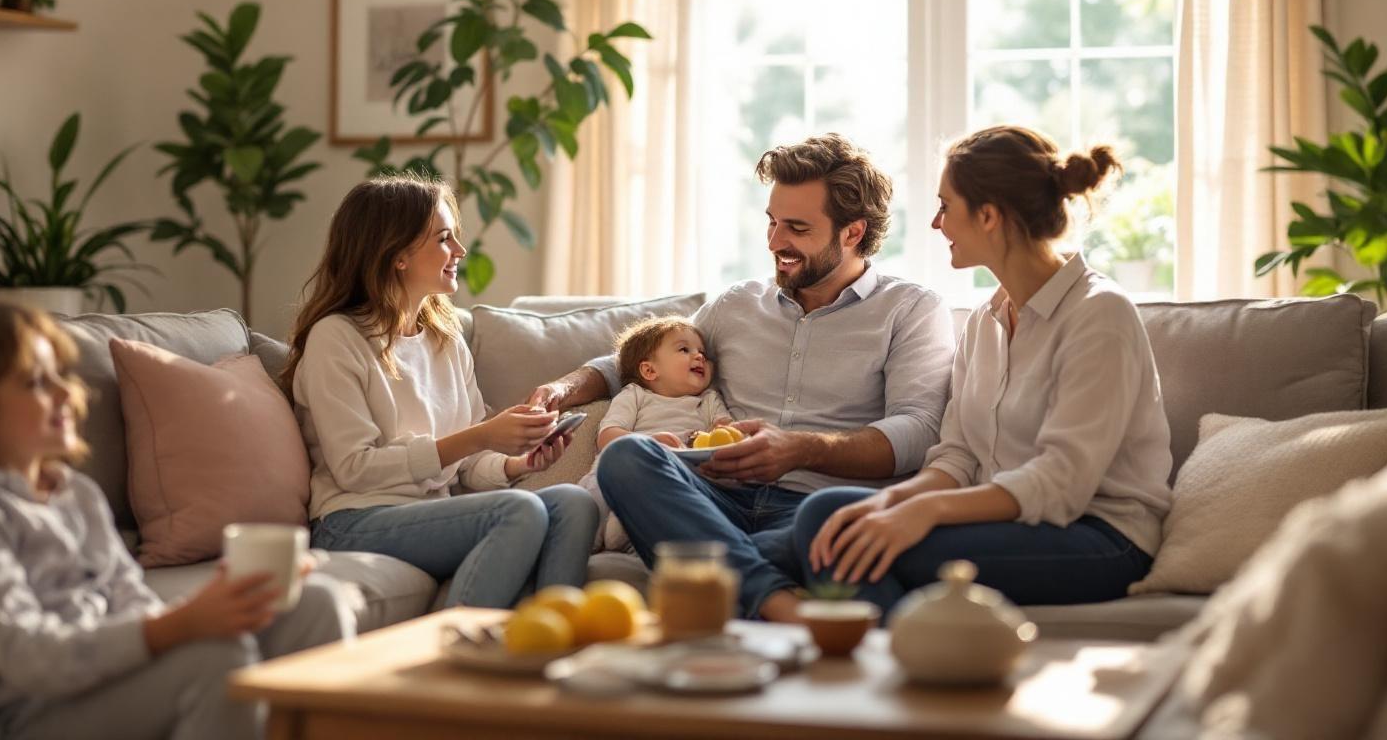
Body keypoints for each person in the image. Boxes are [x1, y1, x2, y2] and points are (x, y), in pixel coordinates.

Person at [530, 134, 956, 622]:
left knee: (799, 537)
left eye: (796, 228)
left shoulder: (911, 310)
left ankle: (724, 565)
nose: (775, 243)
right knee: (627, 456)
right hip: (712, 496)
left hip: (816, 507)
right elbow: (638, 362)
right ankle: (774, 598)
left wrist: (801, 448)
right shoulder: (737, 304)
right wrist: (562, 390)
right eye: (772, 223)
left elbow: (920, 429)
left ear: (853, 232)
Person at [794, 126, 1173, 615]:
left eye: (946, 206)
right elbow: (957, 457)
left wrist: (922, 513)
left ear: (989, 216)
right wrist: (892, 503)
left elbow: (1061, 483)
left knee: (860, 548)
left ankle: (892, 667)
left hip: (1101, 535)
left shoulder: (1100, 315)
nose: (935, 223)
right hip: (1015, 525)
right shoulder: (984, 321)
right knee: (826, 514)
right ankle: (903, 658)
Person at [0, 292, 356, 740]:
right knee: (214, 660)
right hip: (23, 711)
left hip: (106, 678)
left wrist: (217, 605)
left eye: (60, 376)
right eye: (37, 383)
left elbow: (131, 600)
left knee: (315, 604)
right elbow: (28, 657)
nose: (68, 392)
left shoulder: (75, 493)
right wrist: (178, 626)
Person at [282, 175, 597, 609]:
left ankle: (546, 650)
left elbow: (465, 465)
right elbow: (355, 467)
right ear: (398, 255)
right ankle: (451, 654)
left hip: (428, 512)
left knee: (575, 504)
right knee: (518, 511)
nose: (460, 253)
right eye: (444, 239)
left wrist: (516, 462)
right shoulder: (336, 338)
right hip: (354, 519)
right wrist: (481, 436)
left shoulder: (444, 338)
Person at [583, 316, 736, 551]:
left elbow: (726, 431)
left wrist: (718, 434)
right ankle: (588, 529)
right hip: (627, 464)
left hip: (675, 471)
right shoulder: (634, 395)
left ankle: (628, 523)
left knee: (678, 494)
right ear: (649, 370)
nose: (700, 356)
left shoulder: (708, 400)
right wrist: (647, 443)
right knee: (598, 484)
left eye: (702, 352)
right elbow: (607, 437)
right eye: (684, 349)